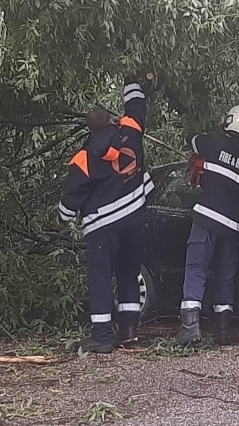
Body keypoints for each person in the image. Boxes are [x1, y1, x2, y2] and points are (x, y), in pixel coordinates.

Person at [58, 77, 153, 353]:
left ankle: (101, 336)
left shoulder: (85, 157)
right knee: (128, 272)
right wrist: (132, 78)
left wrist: (62, 219)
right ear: (113, 120)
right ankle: (129, 330)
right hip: (135, 219)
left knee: (100, 277)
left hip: (103, 225)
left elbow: (71, 193)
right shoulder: (131, 131)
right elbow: (136, 106)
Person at [176, 104, 239, 346]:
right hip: (232, 226)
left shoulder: (213, 143)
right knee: (226, 276)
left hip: (206, 218)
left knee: (196, 268)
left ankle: (190, 328)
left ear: (231, 121)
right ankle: (223, 331)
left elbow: (191, 139)